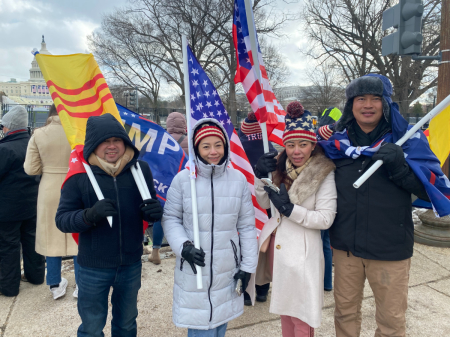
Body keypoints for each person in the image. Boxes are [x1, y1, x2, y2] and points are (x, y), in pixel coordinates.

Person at [319, 74, 430, 337]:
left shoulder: (407, 142)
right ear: (351, 104)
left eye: (375, 99)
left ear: (386, 104)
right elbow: (307, 176)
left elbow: (427, 189)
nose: (368, 105)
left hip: (390, 248)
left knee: (391, 322)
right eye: (361, 98)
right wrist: (275, 168)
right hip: (346, 248)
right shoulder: (336, 144)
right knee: (344, 314)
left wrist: (400, 167)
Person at [55, 114, 163, 337]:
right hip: (93, 266)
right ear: (94, 144)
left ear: (126, 142)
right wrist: (89, 215)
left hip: (130, 263)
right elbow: (62, 219)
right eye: (105, 141)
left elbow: (150, 206)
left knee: (126, 324)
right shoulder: (80, 176)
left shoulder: (140, 170)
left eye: (117, 140)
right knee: (92, 328)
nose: (112, 146)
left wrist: (154, 212)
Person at [162, 118, 258, 337]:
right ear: (196, 148)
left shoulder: (238, 180)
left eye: (218, 145)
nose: (213, 151)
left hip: (227, 269)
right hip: (195, 268)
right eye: (206, 146)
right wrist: (183, 246)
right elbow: (171, 219)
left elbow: (247, 225)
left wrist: (248, 267)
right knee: (200, 326)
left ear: (226, 146)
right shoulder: (183, 180)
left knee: (220, 324)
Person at [253, 101, 337, 336]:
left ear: (313, 145)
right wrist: (260, 177)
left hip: (303, 254)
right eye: (290, 144)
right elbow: (264, 203)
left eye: (302, 144)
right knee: (285, 310)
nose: (296, 150)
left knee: (302, 316)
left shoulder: (324, 173)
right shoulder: (279, 168)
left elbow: (325, 219)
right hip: (277, 251)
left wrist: (291, 210)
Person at [24, 104, 79, 300]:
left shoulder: (39, 134)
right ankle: (81, 283)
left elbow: (31, 169)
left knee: (51, 235)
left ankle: (55, 284)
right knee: (77, 232)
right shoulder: (76, 132)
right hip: (74, 183)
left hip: (48, 187)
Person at [0, 106, 45, 297]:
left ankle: (9, 287)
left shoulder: (4, 149)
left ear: (9, 127)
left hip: (7, 208)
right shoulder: (33, 144)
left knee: (8, 246)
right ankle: (36, 277)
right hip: (32, 204)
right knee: (33, 241)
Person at [238, 111, 277, 305]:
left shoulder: (239, 145)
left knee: (247, 246)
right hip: (267, 202)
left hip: (245, 201)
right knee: (264, 246)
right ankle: (262, 288)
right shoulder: (268, 146)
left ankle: (248, 289)